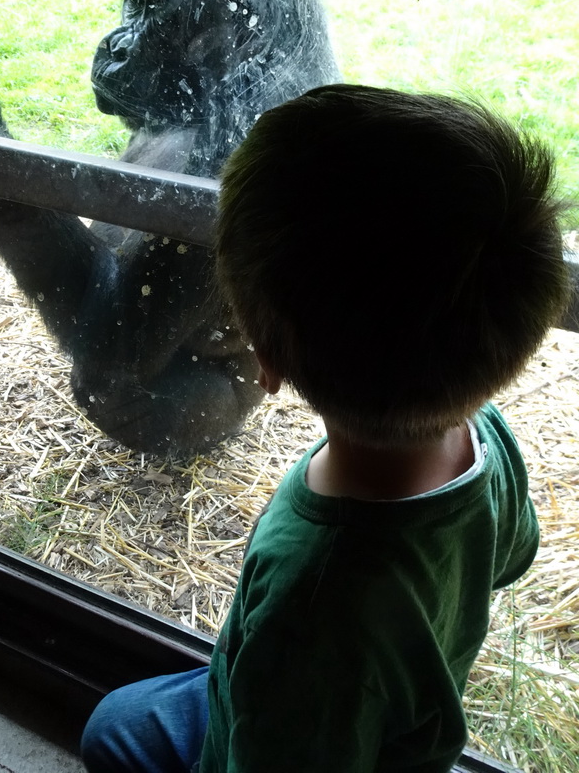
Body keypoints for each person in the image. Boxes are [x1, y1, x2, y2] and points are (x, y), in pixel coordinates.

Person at [81, 85, 570, 773]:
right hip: (385, 719)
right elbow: (511, 555)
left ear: (265, 359)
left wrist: (283, 675)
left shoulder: (312, 595)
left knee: (112, 731)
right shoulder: (489, 439)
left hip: (295, 715)